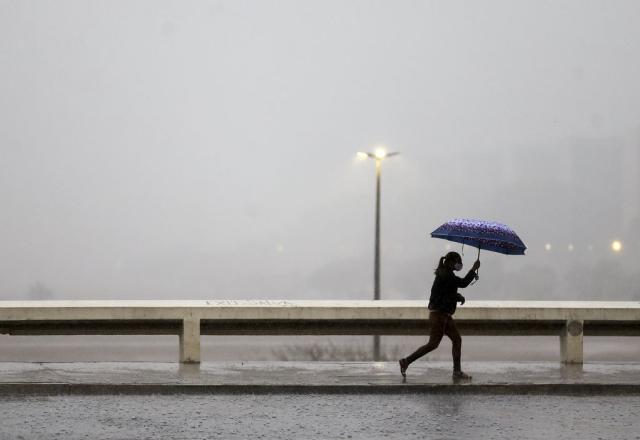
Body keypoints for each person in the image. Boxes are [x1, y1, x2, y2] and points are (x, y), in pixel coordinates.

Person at [399, 251, 480, 381]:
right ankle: (406, 361)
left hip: (444, 315)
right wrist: (473, 269)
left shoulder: (445, 274)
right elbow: (463, 283)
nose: (459, 264)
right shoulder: (446, 275)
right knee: (433, 344)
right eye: (458, 261)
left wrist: (457, 297)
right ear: (451, 262)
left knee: (457, 339)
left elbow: (447, 293)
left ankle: (457, 372)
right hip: (439, 316)